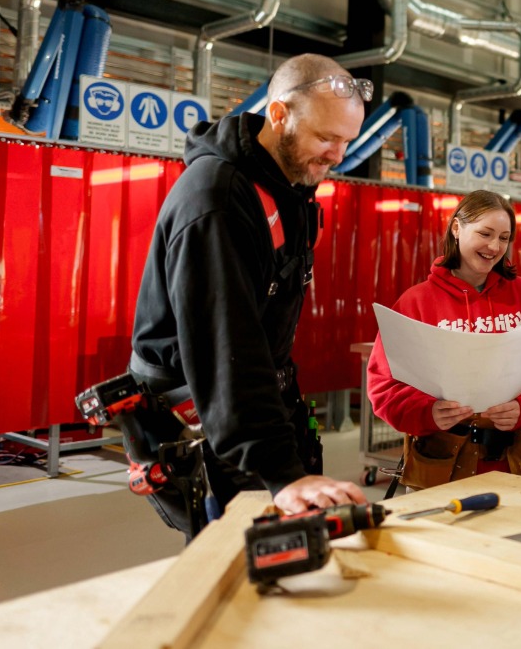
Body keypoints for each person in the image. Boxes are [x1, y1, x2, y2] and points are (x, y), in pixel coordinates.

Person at [129, 53, 369, 533]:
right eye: (325, 137)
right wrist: (281, 473)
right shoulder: (217, 202)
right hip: (207, 413)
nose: (337, 156)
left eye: (346, 141)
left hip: (258, 400)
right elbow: (226, 347)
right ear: (278, 115)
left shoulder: (289, 185)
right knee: (244, 557)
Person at [367, 190, 521, 487]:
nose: (494, 246)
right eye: (485, 233)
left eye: (504, 238)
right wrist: (426, 412)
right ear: (456, 229)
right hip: (445, 463)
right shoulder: (417, 302)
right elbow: (384, 384)